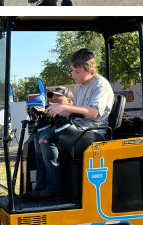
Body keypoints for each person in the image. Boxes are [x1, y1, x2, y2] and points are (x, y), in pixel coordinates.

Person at [22, 48, 114, 202]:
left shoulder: (101, 85)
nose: (73, 75)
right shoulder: (82, 85)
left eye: (77, 71)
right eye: (72, 70)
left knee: (47, 137)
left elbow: (93, 112)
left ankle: (55, 189)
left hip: (94, 131)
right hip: (80, 127)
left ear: (90, 70)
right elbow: (75, 112)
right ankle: (41, 186)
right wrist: (51, 110)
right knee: (38, 136)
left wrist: (64, 107)